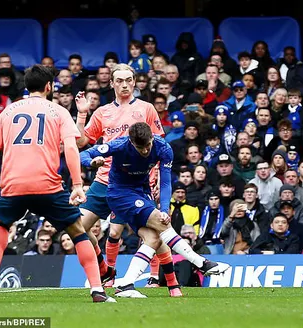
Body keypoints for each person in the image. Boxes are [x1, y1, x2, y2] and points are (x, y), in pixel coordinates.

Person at [0, 65, 114, 303]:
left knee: (0, 224)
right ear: (49, 87)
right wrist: (78, 184)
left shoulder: (7, 113)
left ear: (27, 86)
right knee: (78, 232)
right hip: (48, 185)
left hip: (13, 185)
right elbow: (71, 147)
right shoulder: (58, 111)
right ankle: (97, 290)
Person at [80, 122, 230, 298]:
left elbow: (165, 182)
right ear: (131, 142)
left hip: (143, 194)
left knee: (153, 238)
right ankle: (201, 263)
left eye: (147, 146)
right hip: (119, 194)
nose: (145, 151)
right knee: (159, 225)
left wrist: (164, 208)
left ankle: (126, 285)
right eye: (139, 147)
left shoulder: (163, 148)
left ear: (152, 138)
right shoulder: (119, 145)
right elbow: (83, 153)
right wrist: (91, 161)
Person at [74, 64, 176, 290]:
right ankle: (104, 269)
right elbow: (81, 143)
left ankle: (165, 281)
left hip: (137, 181)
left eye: (129, 80)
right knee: (78, 228)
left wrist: (157, 176)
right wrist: (82, 114)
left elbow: (159, 144)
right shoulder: (102, 112)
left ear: (135, 82)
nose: (125, 84)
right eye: (119, 80)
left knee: (152, 229)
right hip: (104, 179)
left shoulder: (146, 108)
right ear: (111, 83)